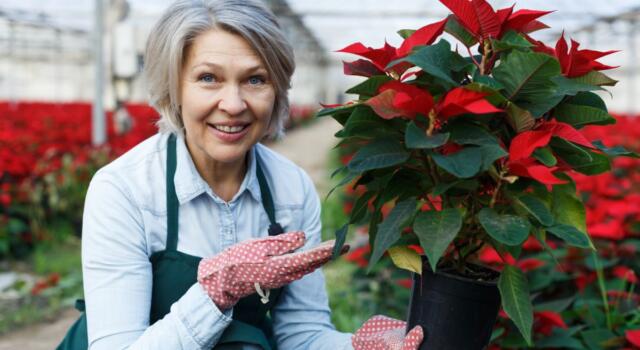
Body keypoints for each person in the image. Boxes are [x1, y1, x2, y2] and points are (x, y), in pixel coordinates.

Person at [57, 0, 423, 349]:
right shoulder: (124, 191)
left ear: (277, 90)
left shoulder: (290, 189)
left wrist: (355, 346)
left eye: (255, 80)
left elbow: (300, 335)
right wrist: (212, 297)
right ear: (174, 89)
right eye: (208, 78)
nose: (233, 105)